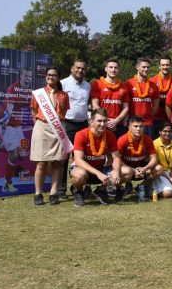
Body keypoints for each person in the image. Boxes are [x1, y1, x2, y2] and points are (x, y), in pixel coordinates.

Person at [70, 108, 129, 207]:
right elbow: (78, 160)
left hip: (102, 169)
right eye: (99, 121)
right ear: (91, 121)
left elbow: (116, 157)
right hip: (84, 169)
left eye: (105, 121)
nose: (102, 124)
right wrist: (98, 173)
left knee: (127, 172)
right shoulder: (81, 135)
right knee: (78, 175)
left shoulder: (110, 135)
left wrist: (116, 171)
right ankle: (78, 191)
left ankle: (101, 190)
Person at [29, 67, 70, 205]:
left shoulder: (64, 95)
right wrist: (39, 126)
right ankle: (38, 193)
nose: (51, 77)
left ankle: (54, 193)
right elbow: (34, 111)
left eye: (54, 75)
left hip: (58, 129)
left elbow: (63, 113)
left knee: (57, 162)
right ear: (45, 76)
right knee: (41, 163)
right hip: (42, 127)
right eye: (48, 75)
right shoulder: (38, 94)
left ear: (58, 77)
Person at [58, 59, 90, 199]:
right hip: (67, 124)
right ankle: (61, 189)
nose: (80, 70)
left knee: (81, 158)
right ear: (72, 68)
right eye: (78, 68)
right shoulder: (63, 83)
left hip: (83, 125)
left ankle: (77, 187)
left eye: (83, 68)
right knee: (64, 157)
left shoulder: (88, 86)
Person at [118, 116, 165, 201]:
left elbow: (154, 158)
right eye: (135, 126)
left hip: (142, 168)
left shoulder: (147, 139)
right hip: (127, 169)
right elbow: (117, 159)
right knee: (125, 171)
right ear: (129, 127)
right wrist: (132, 169)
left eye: (141, 126)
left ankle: (141, 186)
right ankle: (120, 189)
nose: (138, 129)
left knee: (159, 169)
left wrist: (145, 168)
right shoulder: (123, 139)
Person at [90, 58, 130, 136]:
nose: (113, 70)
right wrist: (106, 120)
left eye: (116, 68)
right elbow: (94, 105)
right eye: (110, 67)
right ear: (106, 69)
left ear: (119, 70)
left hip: (118, 125)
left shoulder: (124, 86)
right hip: (101, 124)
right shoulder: (97, 84)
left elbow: (126, 108)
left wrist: (116, 121)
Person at [127, 57, 160, 138]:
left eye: (148, 67)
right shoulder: (128, 84)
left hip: (148, 123)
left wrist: (149, 114)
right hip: (133, 123)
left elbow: (156, 105)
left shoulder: (153, 86)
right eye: (143, 67)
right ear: (137, 67)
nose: (146, 69)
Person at [149, 55, 172, 137]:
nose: (165, 67)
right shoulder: (152, 81)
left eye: (167, 65)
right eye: (163, 65)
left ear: (171, 66)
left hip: (170, 119)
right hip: (154, 118)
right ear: (159, 66)